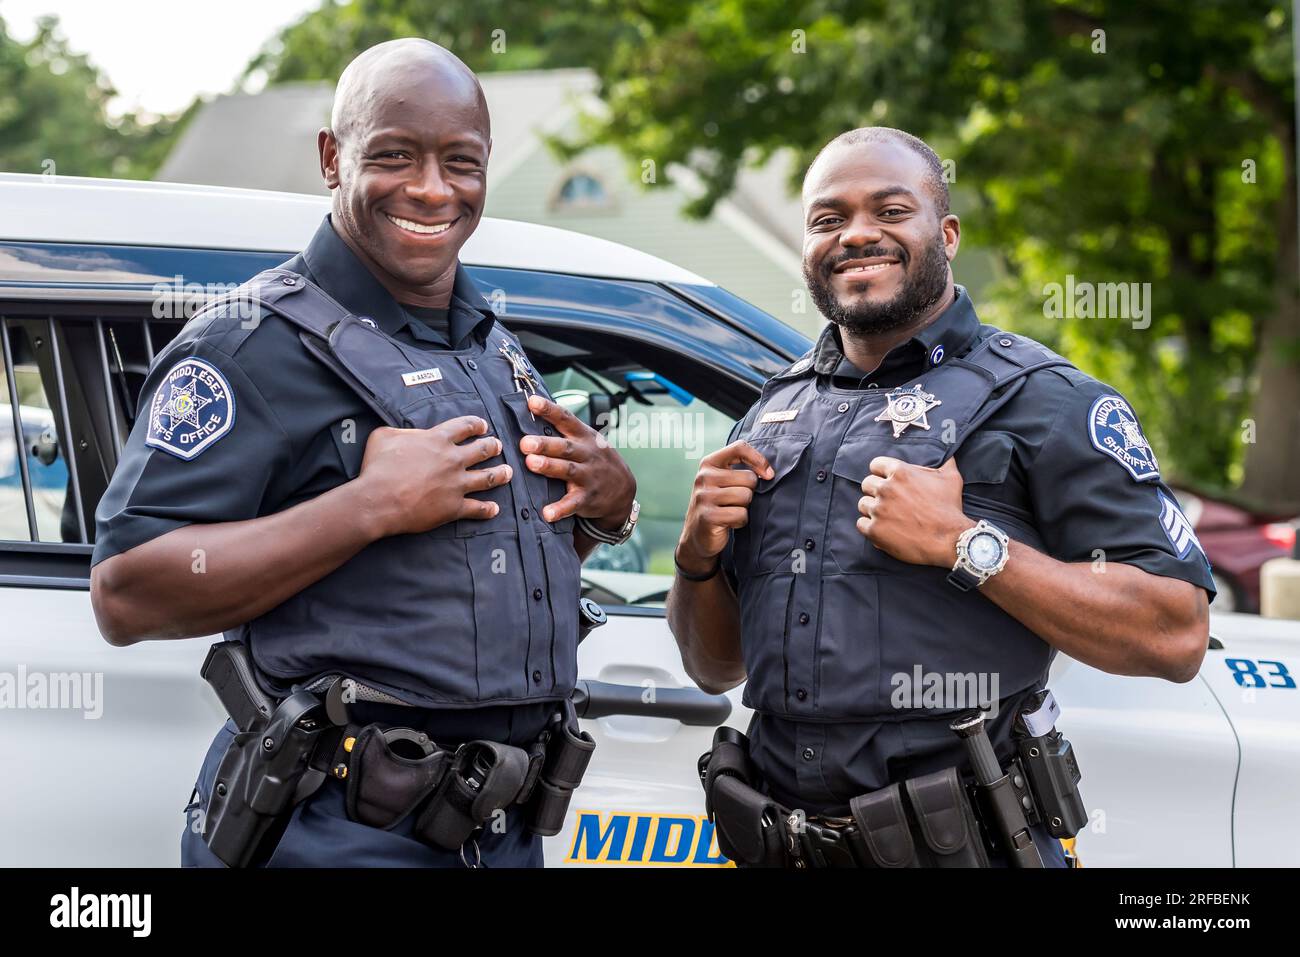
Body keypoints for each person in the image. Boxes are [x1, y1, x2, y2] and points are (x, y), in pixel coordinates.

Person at [89, 39, 638, 868]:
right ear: (330, 157)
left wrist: (608, 506)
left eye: (462, 161)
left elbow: (469, 565)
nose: (431, 188)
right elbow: (124, 593)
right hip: (334, 833)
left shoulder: (492, 348)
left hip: (500, 828)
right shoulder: (247, 347)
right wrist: (366, 506)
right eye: (393, 156)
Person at [669, 127, 1213, 868]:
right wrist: (696, 557)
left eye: (890, 211)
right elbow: (714, 668)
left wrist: (965, 545)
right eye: (829, 219)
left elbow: (1176, 631)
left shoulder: (1046, 400)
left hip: (964, 848)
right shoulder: (771, 413)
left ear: (946, 234)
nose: (857, 235)